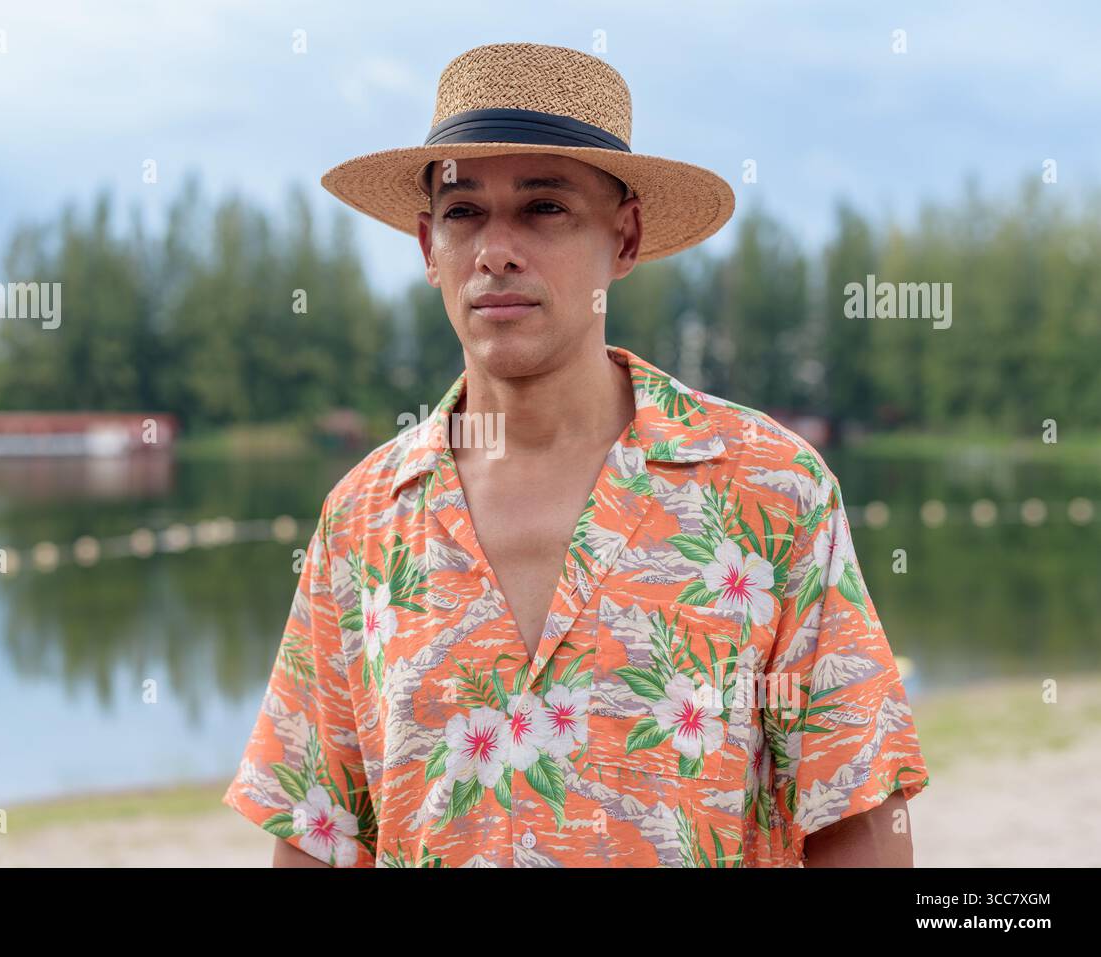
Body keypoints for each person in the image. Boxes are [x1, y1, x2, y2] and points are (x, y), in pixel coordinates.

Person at [223, 41, 929, 867]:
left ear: (623, 238)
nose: (496, 251)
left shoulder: (771, 489)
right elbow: (319, 835)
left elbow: (856, 813)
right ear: (428, 247)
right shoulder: (362, 520)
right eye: (463, 213)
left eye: (544, 208)